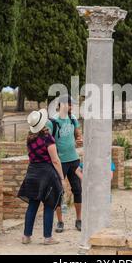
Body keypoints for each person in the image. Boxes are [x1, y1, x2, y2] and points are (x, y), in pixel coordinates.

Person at [17, 109, 65, 245]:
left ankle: (26, 236)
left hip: (32, 173)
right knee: (49, 205)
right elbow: (55, 160)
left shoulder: (29, 138)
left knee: (32, 205)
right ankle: (47, 238)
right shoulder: (48, 138)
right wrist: (61, 177)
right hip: (46, 173)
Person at [46, 95, 83, 233]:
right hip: (59, 162)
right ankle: (60, 222)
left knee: (78, 190)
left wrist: (79, 140)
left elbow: (78, 135)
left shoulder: (73, 118)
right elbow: (47, 142)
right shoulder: (52, 122)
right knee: (58, 192)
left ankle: (79, 220)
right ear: (61, 104)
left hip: (74, 159)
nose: (72, 106)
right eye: (69, 104)